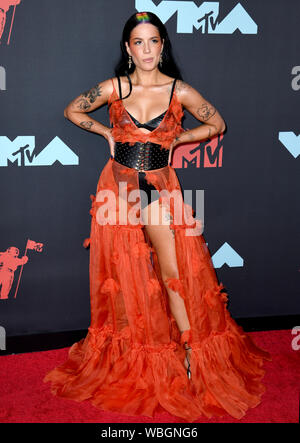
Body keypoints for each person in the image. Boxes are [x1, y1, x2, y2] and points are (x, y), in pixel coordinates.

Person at [44, 11, 271, 422]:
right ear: (127, 49)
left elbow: (216, 123)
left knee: (173, 271)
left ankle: (189, 353)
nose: (146, 49)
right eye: (138, 42)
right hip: (117, 188)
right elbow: (72, 112)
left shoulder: (179, 91)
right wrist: (107, 133)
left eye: (153, 41)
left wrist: (177, 138)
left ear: (162, 46)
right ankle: (138, 355)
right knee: (125, 276)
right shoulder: (115, 88)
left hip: (159, 188)